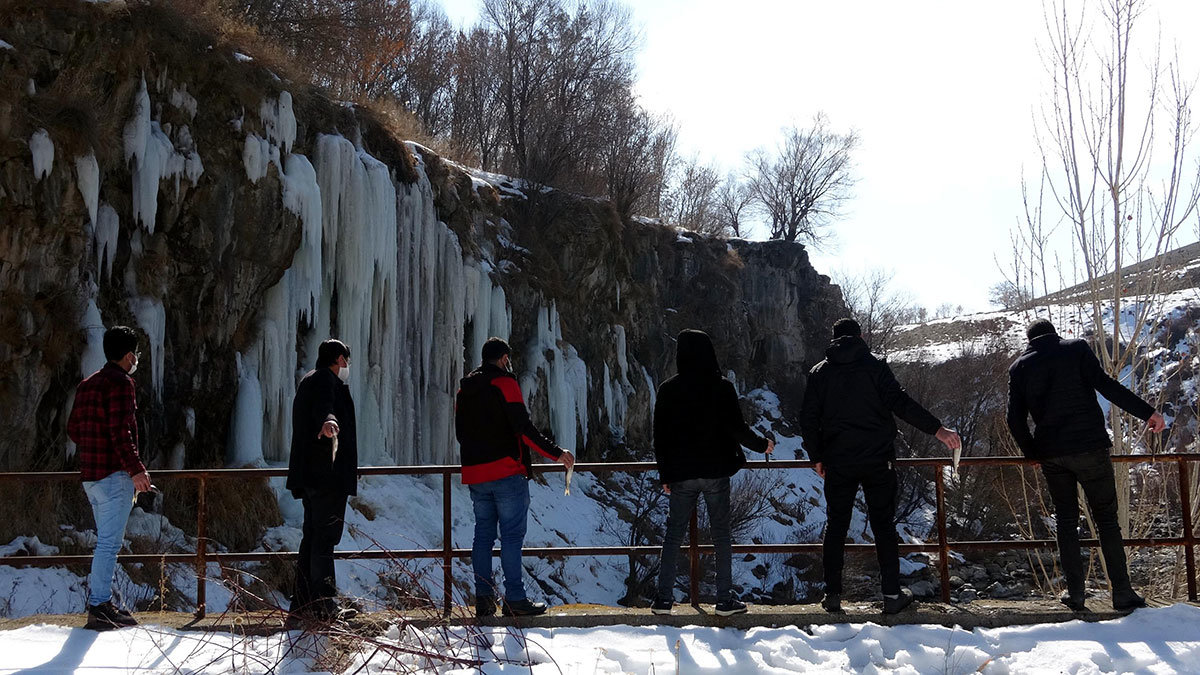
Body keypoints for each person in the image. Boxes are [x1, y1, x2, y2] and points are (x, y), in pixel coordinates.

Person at [799, 318, 961, 615]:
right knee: (883, 526)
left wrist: (816, 456)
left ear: (833, 339)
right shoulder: (875, 365)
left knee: (836, 526)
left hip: (838, 460)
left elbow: (808, 418)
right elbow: (900, 403)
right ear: (860, 335)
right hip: (878, 459)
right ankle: (890, 595)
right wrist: (937, 430)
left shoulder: (819, 373)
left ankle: (832, 595)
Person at [1007, 318, 1166, 612]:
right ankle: (1122, 592)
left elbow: (1014, 420)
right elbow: (1108, 387)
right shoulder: (1076, 349)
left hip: (1052, 453)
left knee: (1066, 522)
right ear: (1054, 332)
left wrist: (1031, 453)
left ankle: (1076, 594)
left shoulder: (1019, 368)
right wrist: (1148, 413)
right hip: (1090, 447)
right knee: (1106, 520)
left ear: (1030, 341)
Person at [651, 329, 774, 617]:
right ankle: (724, 600)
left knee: (673, 535)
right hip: (716, 471)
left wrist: (665, 474)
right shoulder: (722, 387)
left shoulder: (668, 389)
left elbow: (661, 436)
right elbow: (737, 428)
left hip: (681, 473)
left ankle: (663, 600)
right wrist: (762, 445)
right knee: (721, 535)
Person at [455, 337, 575, 617]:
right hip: (506, 471)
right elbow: (523, 428)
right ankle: (515, 599)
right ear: (504, 358)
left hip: (475, 473)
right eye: (508, 359)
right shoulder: (505, 383)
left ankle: (483, 599)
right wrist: (556, 453)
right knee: (511, 537)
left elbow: (461, 434)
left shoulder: (464, 391)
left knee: (482, 537)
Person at [67, 326, 151, 631]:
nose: (136, 359)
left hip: (91, 477)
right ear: (129, 355)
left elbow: (74, 429)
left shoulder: (87, 385)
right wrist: (136, 469)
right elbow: (121, 430)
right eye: (136, 354)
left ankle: (101, 604)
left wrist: (93, 447)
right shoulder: (122, 383)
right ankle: (100, 606)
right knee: (108, 545)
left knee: (104, 543)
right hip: (114, 476)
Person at [286, 339, 358, 624]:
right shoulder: (325, 380)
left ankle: (302, 601)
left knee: (313, 537)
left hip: (311, 475)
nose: (347, 368)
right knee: (325, 538)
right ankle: (324, 602)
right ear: (339, 359)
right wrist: (328, 422)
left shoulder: (310, 380)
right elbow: (324, 408)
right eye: (346, 362)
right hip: (326, 475)